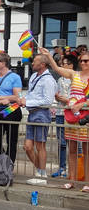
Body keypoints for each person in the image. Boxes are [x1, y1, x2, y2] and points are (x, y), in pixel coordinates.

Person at [40, 47, 89, 191]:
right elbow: (56, 68)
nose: (84, 63)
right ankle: (71, 180)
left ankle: (87, 182)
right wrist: (48, 55)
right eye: (81, 60)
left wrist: (82, 104)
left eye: (86, 60)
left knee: (87, 151)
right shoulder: (74, 74)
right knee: (71, 150)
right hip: (71, 117)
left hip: (86, 118)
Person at [19, 54, 57, 181]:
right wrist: (24, 100)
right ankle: (40, 171)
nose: (32, 63)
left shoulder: (49, 80)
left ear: (43, 65)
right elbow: (31, 94)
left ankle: (41, 173)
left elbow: (47, 100)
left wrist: (28, 102)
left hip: (42, 114)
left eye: (35, 61)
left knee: (40, 146)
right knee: (28, 146)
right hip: (32, 113)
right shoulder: (34, 76)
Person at [0, 52, 23, 163]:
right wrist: (2, 98)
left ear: (3, 63)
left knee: (11, 140)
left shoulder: (15, 77)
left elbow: (18, 96)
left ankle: (9, 165)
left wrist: (1, 98)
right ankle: (3, 160)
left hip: (11, 109)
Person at [51, 55, 77, 178]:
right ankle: (62, 168)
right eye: (61, 64)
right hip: (61, 112)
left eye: (65, 63)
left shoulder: (76, 78)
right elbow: (56, 94)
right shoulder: (59, 79)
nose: (62, 66)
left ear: (71, 65)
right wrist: (57, 97)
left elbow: (78, 98)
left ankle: (76, 169)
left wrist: (67, 100)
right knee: (61, 142)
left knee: (75, 143)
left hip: (73, 114)